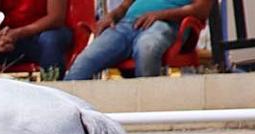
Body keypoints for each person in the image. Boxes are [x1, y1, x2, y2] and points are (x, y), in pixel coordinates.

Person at [64, 0, 212, 79]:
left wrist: (161, 14)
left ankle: (148, 107)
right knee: (85, 60)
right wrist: (112, 16)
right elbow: (124, 6)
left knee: (147, 47)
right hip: (127, 24)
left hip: (166, 23)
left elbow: (201, 10)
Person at [0, 0, 72, 76]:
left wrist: (19, 33)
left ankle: (53, 86)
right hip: (11, 39)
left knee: (50, 40)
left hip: (44, 34)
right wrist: (0, 38)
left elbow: (56, 18)